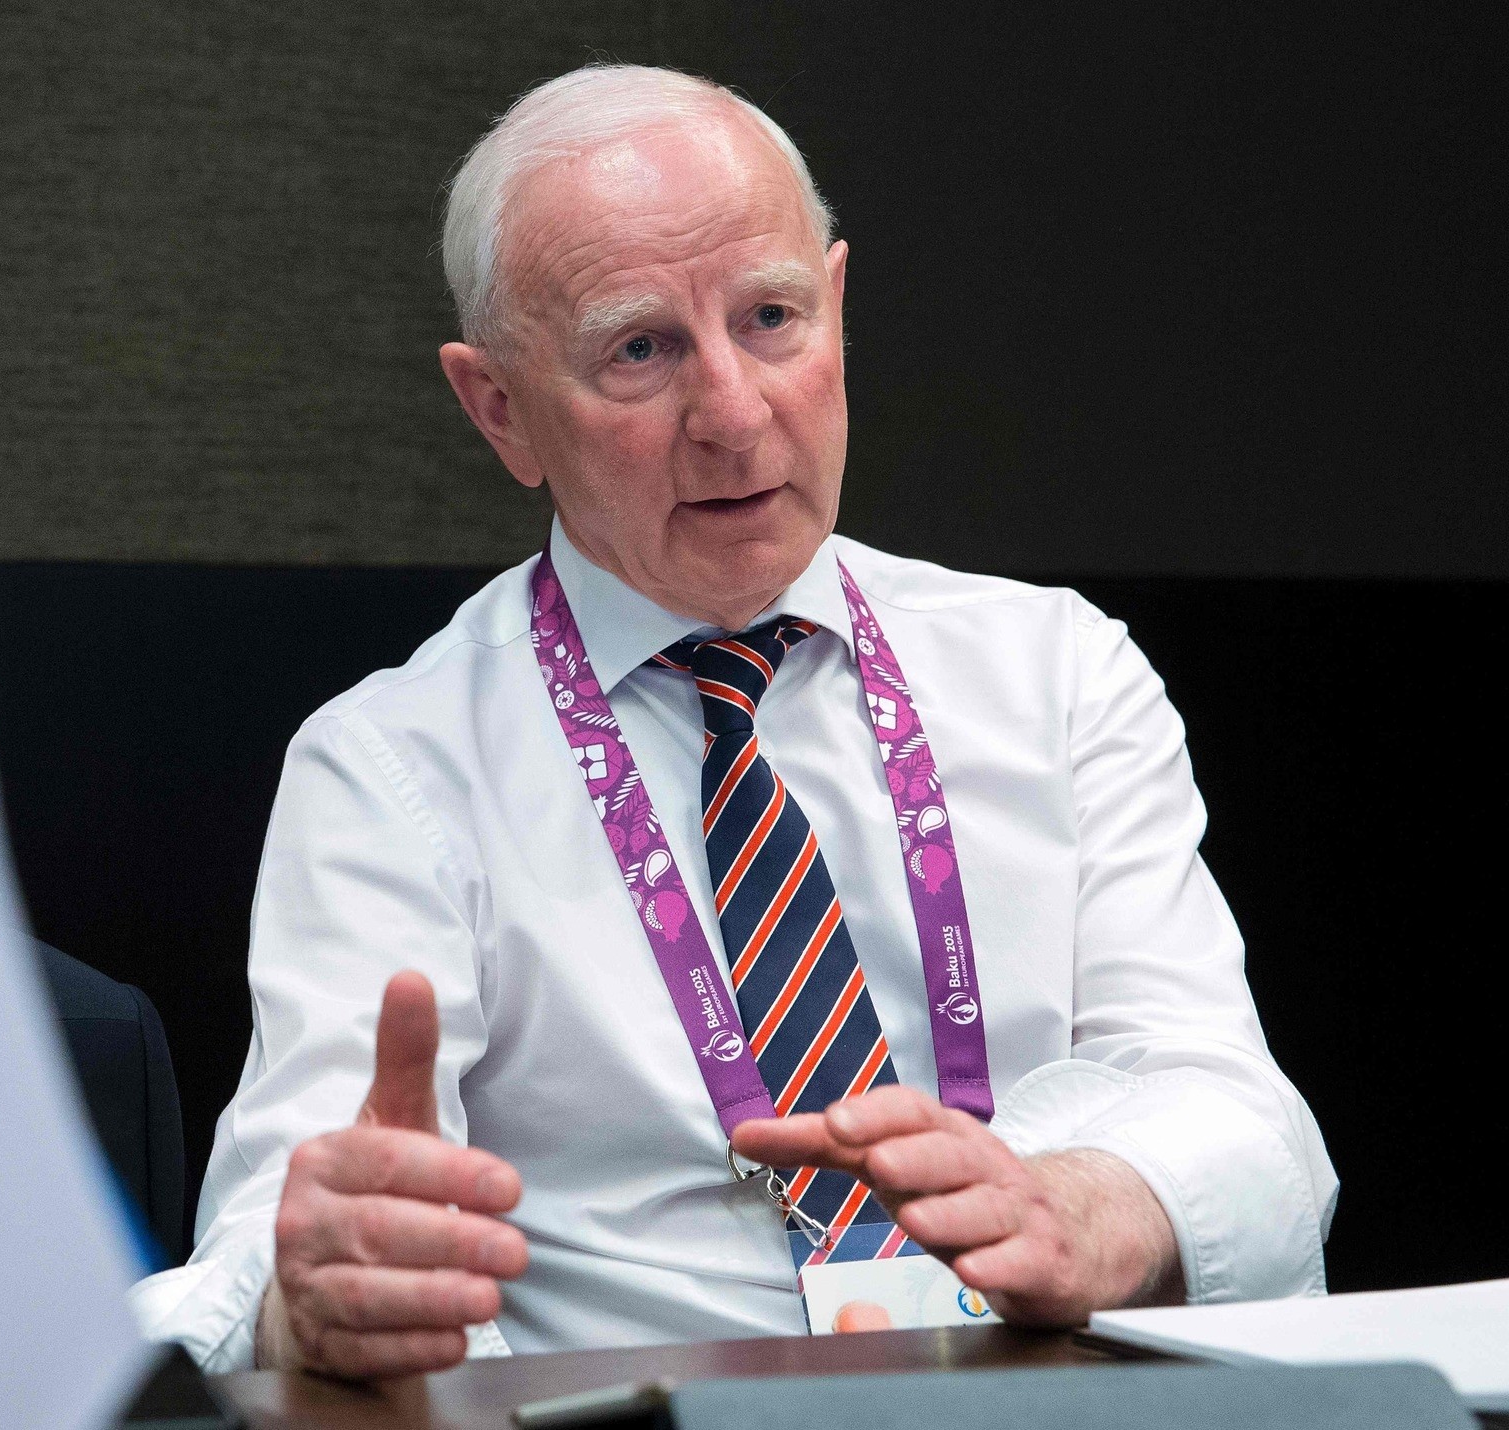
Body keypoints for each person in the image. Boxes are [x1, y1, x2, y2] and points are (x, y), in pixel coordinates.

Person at [131, 63, 1336, 1378]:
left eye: (773, 317)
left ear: (839, 305)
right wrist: (319, 1302)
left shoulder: (1057, 672)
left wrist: (1093, 1205)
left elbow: (1244, 1118)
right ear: (499, 408)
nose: (736, 411)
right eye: (641, 348)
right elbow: (281, 1229)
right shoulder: (394, 770)